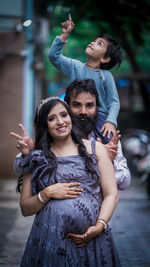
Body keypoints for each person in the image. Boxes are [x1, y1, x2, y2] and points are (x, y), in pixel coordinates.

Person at [12, 97, 121, 266]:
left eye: (64, 115)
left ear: (70, 117)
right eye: (51, 118)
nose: (60, 122)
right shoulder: (37, 156)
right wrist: (47, 193)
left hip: (93, 241)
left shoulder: (95, 148)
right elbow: (25, 208)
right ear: (44, 125)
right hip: (50, 242)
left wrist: (100, 225)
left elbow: (111, 194)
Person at [12, 79, 130, 190]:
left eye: (89, 105)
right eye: (77, 105)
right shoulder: (56, 134)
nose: (83, 111)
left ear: (96, 107)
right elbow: (18, 170)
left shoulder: (106, 136)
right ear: (67, 106)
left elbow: (125, 182)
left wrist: (108, 162)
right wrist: (27, 155)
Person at [48, 13, 122, 140]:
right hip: (75, 117)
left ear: (105, 58)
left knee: (105, 145)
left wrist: (110, 122)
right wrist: (64, 35)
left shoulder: (105, 76)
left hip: (100, 120)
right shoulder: (75, 66)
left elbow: (114, 102)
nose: (93, 43)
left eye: (99, 44)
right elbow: (53, 56)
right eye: (95, 41)